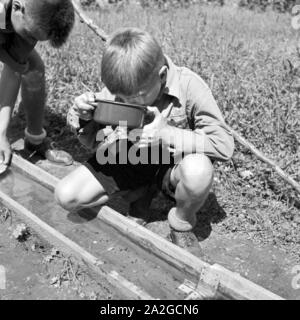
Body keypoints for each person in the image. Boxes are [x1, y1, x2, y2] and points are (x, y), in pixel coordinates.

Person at [56, 27, 235, 255]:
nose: (125, 101)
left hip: (172, 168)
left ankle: (181, 222)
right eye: (120, 97)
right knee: (66, 196)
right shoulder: (125, 86)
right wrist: (83, 116)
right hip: (131, 157)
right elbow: (93, 141)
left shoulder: (190, 85)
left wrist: (167, 133)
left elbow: (224, 145)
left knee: (199, 170)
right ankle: (141, 189)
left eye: (134, 97)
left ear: (161, 76)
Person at [0, 0, 75, 172]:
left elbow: (14, 70)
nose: (30, 43)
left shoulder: (21, 14)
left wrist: (1, 133)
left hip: (8, 19)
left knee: (34, 67)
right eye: (31, 36)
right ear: (19, 7)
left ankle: (35, 140)